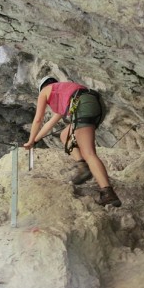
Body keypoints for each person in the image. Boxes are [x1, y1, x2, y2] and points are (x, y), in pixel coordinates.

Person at [23, 76, 122, 207]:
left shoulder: (44, 91)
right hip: (96, 104)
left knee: (89, 153)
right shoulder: (64, 91)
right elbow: (49, 124)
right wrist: (34, 141)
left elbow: (38, 119)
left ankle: (107, 193)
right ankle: (82, 166)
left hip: (83, 105)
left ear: (42, 87)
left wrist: (29, 141)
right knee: (65, 135)